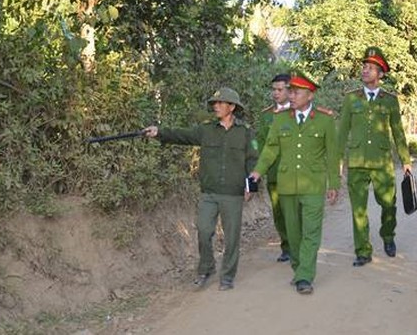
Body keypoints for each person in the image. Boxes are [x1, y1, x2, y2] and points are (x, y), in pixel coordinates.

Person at [143, 87, 258, 290]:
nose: (216, 106)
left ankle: (228, 276)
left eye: (220, 103)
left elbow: (252, 161)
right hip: (209, 192)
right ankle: (206, 268)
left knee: (232, 237)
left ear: (231, 107)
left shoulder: (245, 132)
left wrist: (252, 187)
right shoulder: (206, 130)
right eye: (214, 103)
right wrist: (159, 132)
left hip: (233, 193)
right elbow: (182, 135)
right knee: (204, 231)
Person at [249, 72, 339, 295]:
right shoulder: (281, 119)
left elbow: (333, 154)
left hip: (314, 185)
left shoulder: (325, 120)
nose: (291, 95)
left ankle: (305, 276)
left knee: (311, 231)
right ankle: (299, 268)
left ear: (309, 95)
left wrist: (333, 184)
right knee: (294, 233)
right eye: (290, 91)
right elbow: (270, 149)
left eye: (296, 92)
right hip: (287, 185)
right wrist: (257, 172)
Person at [337, 46, 412, 267]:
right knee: (358, 209)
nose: (365, 70)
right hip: (358, 160)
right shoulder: (351, 99)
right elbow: (342, 132)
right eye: (364, 66)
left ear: (381, 74)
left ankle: (388, 236)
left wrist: (406, 160)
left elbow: (398, 132)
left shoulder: (389, 100)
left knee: (389, 203)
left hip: (382, 162)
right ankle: (363, 250)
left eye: (371, 68)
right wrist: (338, 159)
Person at [257, 73, 292, 262]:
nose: (275, 93)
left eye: (280, 89)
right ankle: (286, 246)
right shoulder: (266, 115)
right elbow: (261, 145)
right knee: (279, 212)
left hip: (296, 174)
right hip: (274, 174)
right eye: (274, 90)